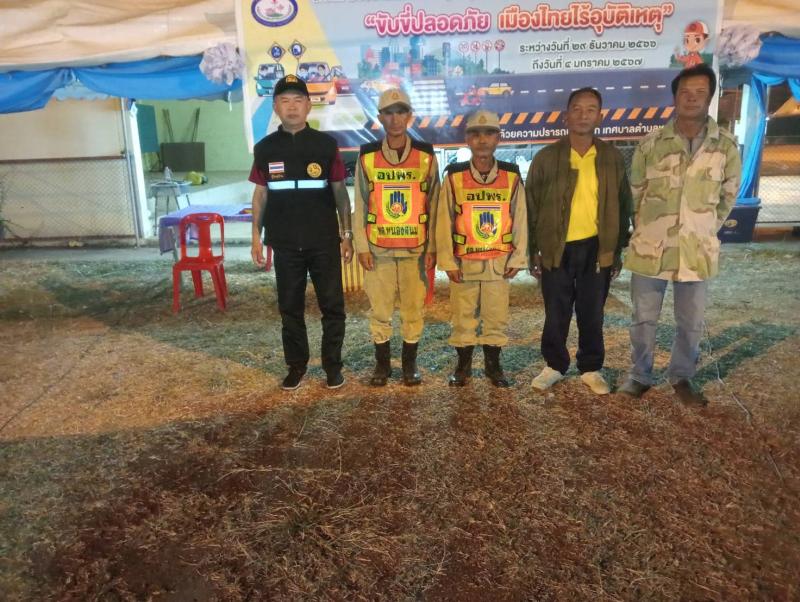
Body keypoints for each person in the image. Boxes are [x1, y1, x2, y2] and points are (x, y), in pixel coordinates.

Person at [618, 64, 741, 405]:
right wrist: (648, 229)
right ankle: (639, 375)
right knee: (643, 318)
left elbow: (728, 196)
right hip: (651, 248)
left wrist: (703, 229)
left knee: (691, 321)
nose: (692, 98)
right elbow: (636, 194)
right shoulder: (651, 145)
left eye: (700, 92)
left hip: (695, 250)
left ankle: (682, 376)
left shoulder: (725, 146)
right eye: (685, 92)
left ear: (709, 97)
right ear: (675, 97)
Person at [249, 75, 354, 390]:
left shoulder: (326, 145)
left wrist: (347, 235)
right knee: (290, 308)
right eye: (285, 101)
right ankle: (296, 366)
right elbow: (260, 195)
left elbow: (340, 194)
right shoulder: (265, 148)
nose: (292, 107)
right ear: (275, 107)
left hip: (323, 240)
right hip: (284, 243)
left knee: (332, 307)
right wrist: (255, 236)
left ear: (309, 105)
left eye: (298, 100)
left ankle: (333, 367)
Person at [525, 87, 633, 395]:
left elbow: (623, 205)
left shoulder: (610, 158)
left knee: (592, 311)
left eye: (590, 109)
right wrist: (533, 250)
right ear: (566, 116)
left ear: (599, 117)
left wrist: (616, 250)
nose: (583, 115)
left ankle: (591, 367)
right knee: (556, 311)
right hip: (556, 247)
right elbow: (530, 206)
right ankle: (555, 365)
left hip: (596, 249)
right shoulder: (547, 158)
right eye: (577, 109)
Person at [353, 88, 440, 386]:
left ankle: (408, 364)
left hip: (416, 249)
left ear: (409, 116)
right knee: (380, 310)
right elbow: (360, 202)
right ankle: (382, 365)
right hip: (379, 249)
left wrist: (433, 247)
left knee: (414, 309)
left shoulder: (426, 156)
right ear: (380, 117)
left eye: (401, 112)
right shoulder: (367, 156)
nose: (395, 119)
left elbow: (435, 203)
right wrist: (361, 245)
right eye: (388, 113)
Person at [436, 110, 528, 387]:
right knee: (462, 316)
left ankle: (493, 367)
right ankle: (463, 366)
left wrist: (518, 256)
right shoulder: (454, 176)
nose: (482, 140)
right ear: (467, 139)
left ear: (498, 138)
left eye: (489, 133)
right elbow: (444, 220)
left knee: (496, 316)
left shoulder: (511, 176)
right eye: (475, 134)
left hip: (498, 261)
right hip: (464, 263)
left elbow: (520, 217)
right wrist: (447, 261)